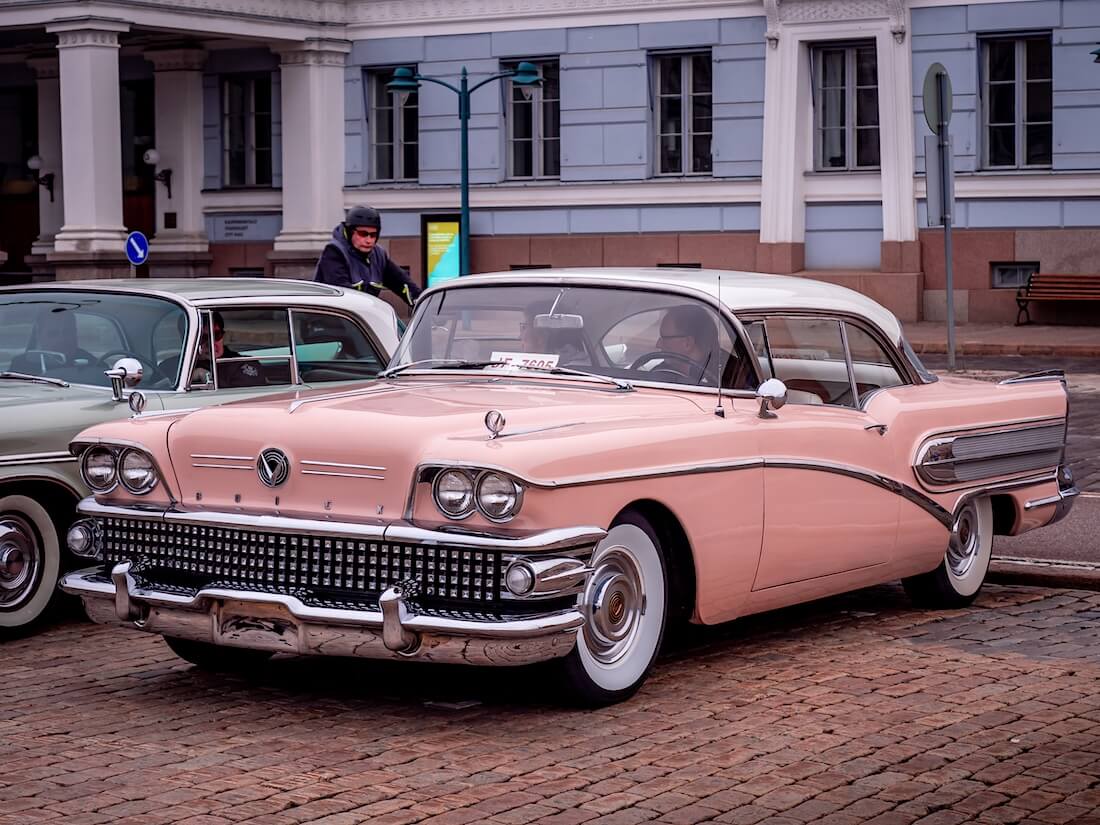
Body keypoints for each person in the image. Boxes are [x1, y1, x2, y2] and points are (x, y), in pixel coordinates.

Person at [314, 205, 422, 309]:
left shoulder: (379, 255)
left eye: (373, 235)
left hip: (361, 319)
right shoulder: (334, 253)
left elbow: (403, 284)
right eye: (362, 234)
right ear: (350, 232)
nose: (368, 240)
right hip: (330, 322)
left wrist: (421, 303)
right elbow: (342, 297)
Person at [192, 312, 265, 389]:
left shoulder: (244, 363)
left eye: (216, 335)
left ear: (223, 336)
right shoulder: (182, 365)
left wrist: (205, 376)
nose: (211, 343)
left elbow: (241, 397)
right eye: (203, 338)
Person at [654, 304, 719, 383]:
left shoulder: (722, 380)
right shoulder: (659, 370)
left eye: (664, 338)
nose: (658, 344)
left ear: (687, 343)